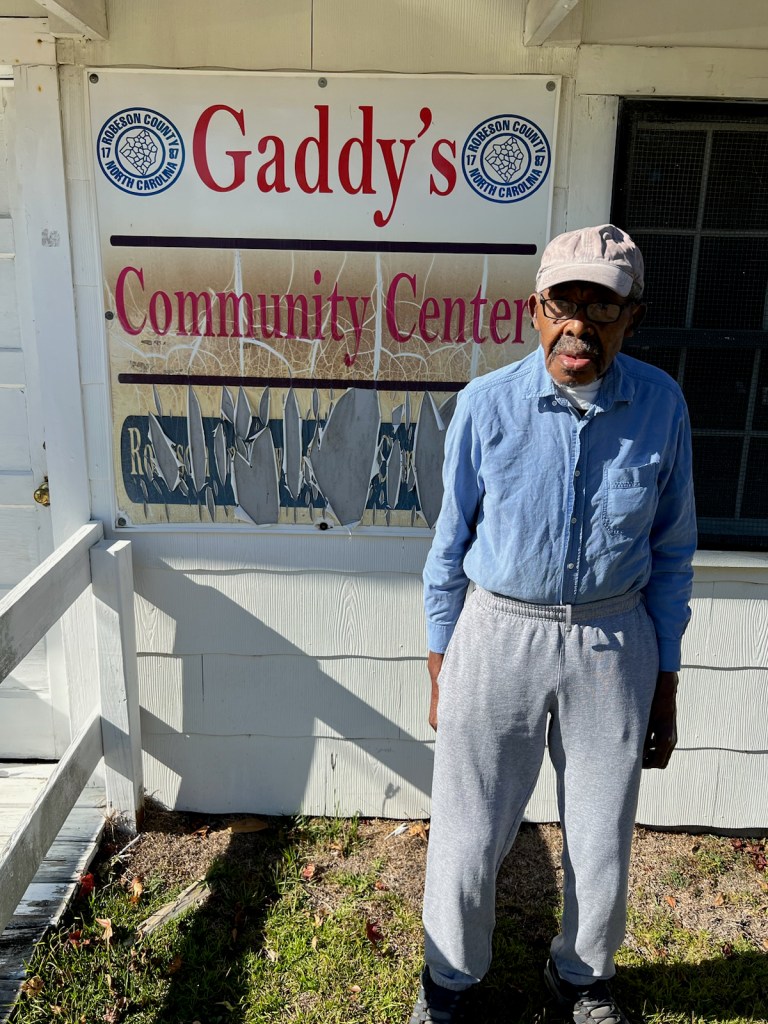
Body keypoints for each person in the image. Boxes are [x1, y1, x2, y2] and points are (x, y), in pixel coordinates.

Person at [410, 224, 697, 1024]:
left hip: (613, 640)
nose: (579, 324)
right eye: (563, 303)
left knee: (602, 835)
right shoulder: (485, 406)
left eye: (601, 307)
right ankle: (449, 985)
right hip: (497, 634)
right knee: (468, 834)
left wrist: (666, 683)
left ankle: (581, 977)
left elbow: (673, 553)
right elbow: (449, 545)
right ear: (534, 310)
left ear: (631, 318)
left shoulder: (661, 405)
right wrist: (442, 662)